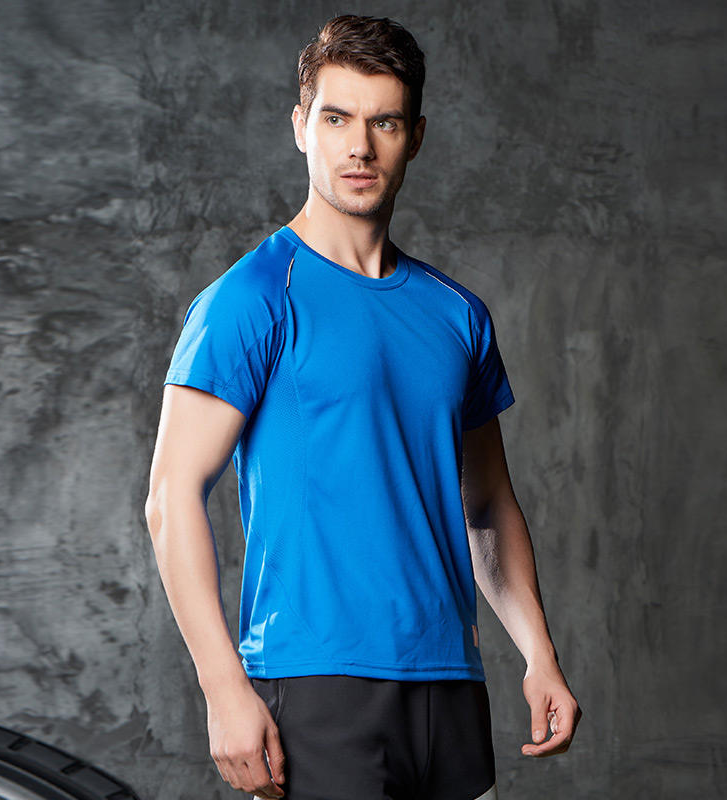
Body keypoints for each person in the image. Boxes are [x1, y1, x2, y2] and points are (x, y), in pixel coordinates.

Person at [144, 14, 580, 800]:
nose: (360, 148)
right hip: (318, 684)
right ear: (300, 127)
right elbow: (171, 498)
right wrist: (222, 686)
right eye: (337, 118)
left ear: (415, 137)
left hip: (449, 683)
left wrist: (539, 655)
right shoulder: (251, 298)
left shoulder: (457, 314)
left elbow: (487, 504)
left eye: (384, 123)